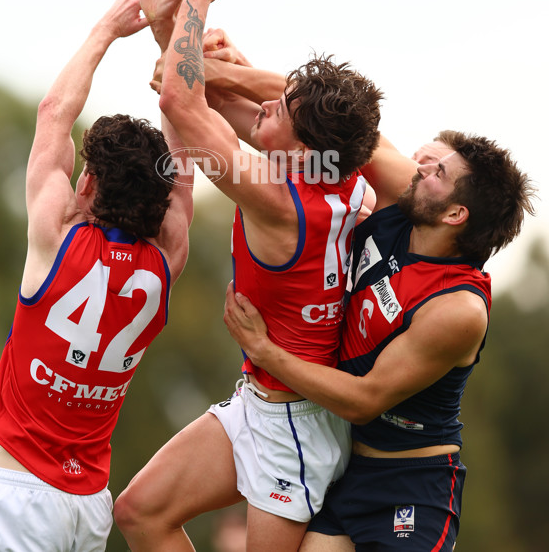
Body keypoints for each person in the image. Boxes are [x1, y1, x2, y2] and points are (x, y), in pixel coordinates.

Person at [114, 0, 383, 552]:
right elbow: (193, 91)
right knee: (139, 511)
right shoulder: (335, 171)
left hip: (294, 423)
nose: (267, 104)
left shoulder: (278, 199)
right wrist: (170, 16)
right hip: (261, 400)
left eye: (282, 108)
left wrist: (199, 1)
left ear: (302, 144)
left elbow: (182, 104)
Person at [224, 127, 536, 551]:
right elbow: (328, 125)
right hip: (351, 471)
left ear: (455, 215)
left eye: (439, 172)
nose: (422, 167)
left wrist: (264, 351)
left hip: (412, 487)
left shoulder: (458, 308)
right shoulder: (404, 201)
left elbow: (363, 399)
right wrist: (223, 70)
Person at [0, 0, 194, 552]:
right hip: (89, 507)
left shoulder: (55, 240)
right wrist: (173, 36)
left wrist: (109, 29)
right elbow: (184, 151)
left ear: (85, 184)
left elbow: (52, 114)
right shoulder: (167, 260)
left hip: (17, 497)